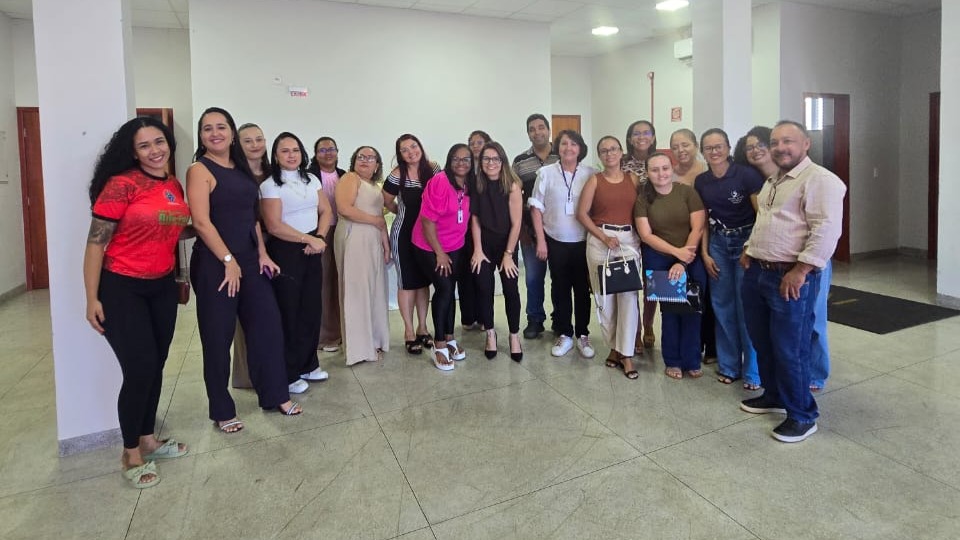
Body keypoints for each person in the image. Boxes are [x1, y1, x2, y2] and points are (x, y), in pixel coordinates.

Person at [83, 117, 191, 489]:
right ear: (132, 151)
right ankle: (130, 450)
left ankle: (148, 438)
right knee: (140, 366)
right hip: (121, 287)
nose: (155, 150)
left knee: (157, 363)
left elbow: (174, 226)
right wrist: (91, 297)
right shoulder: (120, 185)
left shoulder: (174, 185)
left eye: (159, 142)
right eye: (144, 146)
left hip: (160, 286)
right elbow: (96, 243)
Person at [187, 107, 302, 435]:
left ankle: (275, 395)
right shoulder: (199, 170)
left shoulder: (238, 169)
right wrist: (228, 261)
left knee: (267, 329)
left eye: (221, 127)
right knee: (217, 337)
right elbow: (201, 222)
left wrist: (262, 254)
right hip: (215, 265)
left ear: (231, 132)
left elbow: (252, 217)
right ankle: (222, 409)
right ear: (201, 135)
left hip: (250, 262)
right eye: (207, 129)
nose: (215, 133)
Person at [739, 120, 846, 443]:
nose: (780, 147)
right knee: (763, 341)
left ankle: (802, 414)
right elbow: (769, 221)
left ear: (806, 144)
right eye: (775, 142)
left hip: (790, 276)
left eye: (788, 141)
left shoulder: (821, 181)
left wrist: (800, 271)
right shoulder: (774, 179)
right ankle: (774, 394)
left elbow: (826, 230)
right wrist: (748, 251)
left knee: (791, 348)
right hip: (758, 271)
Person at [260, 132, 333, 394]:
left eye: (295, 150)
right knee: (289, 312)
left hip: (313, 246)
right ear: (276, 156)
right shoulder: (270, 185)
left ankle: (308, 364)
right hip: (286, 251)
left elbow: (326, 211)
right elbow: (274, 225)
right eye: (285, 151)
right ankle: (289, 373)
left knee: (311, 308)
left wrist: (320, 237)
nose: (291, 155)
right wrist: (308, 239)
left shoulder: (311, 178)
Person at [695, 128, 764, 391]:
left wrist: (750, 248)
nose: (714, 152)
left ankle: (753, 371)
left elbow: (761, 217)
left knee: (746, 307)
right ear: (703, 151)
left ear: (727, 148)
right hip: (718, 244)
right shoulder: (701, 181)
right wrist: (704, 252)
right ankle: (728, 365)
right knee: (722, 306)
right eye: (709, 148)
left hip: (746, 241)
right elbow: (703, 221)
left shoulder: (746, 175)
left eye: (719, 146)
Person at [634, 153, 707, 380]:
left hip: (690, 253)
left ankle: (692, 359)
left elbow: (698, 227)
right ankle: (673, 360)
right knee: (670, 311)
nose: (661, 174)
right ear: (647, 173)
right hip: (659, 257)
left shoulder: (687, 192)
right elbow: (645, 235)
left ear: (671, 169)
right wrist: (676, 254)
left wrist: (683, 259)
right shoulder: (643, 199)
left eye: (665, 168)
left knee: (692, 310)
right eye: (655, 170)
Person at [577, 136, 641, 378]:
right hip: (600, 242)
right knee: (605, 301)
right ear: (599, 156)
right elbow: (582, 214)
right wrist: (603, 237)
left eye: (613, 149)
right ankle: (613, 348)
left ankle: (626, 354)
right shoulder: (595, 180)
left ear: (621, 152)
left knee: (628, 298)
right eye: (603, 151)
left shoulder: (632, 179)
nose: (609, 154)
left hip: (627, 241)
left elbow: (639, 212)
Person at [529, 130, 596, 359]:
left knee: (582, 290)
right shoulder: (546, 173)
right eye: (564, 143)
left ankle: (583, 334)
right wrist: (540, 241)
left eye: (574, 143)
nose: (569, 147)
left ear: (580, 148)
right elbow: (536, 208)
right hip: (555, 240)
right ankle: (565, 333)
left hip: (583, 242)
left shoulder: (591, 173)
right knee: (560, 288)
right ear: (558, 147)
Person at [412, 144, 473, 370]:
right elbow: (427, 221)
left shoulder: (470, 184)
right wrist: (439, 252)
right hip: (429, 245)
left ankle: (450, 338)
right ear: (449, 161)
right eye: (456, 159)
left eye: (466, 159)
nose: (461, 163)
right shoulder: (440, 181)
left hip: (454, 244)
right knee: (444, 289)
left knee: (451, 288)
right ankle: (439, 343)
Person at [383, 134, 440, 355]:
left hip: (428, 235)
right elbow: (386, 201)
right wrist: (400, 212)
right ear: (400, 154)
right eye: (404, 149)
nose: (410, 152)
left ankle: (423, 327)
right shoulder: (397, 174)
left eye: (413, 146)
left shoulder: (434, 169)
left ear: (420, 147)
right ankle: (408, 331)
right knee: (407, 283)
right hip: (404, 234)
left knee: (423, 282)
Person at [334, 147, 391, 365]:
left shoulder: (375, 186)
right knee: (356, 292)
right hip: (354, 237)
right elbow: (344, 208)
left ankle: (374, 339)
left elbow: (380, 218)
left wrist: (386, 245)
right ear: (354, 161)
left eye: (371, 158)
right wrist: (375, 221)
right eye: (361, 157)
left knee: (374, 291)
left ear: (377, 165)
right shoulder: (350, 178)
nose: (365, 161)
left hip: (373, 241)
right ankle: (359, 349)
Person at [472, 141, 524, 361]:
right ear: (481, 162)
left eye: (495, 158)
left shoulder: (512, 185)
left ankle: (514, 336)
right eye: (486, 159)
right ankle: (490, 334)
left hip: (507, 245)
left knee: (511, 290)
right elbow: (474, 219)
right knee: (484, 289)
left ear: (502, 161)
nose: (490, 163)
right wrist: (476, 249)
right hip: (483, 245)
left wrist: (508, 254)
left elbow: (517, 223)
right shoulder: (477, 184)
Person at [230, 122, 270, 390]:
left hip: (276, 246)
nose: (255, 145)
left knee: (269, 315)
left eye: (259, 139)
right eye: (248, 140)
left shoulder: (272, 173)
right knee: (246, 317)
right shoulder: (234, 174)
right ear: (237, 144)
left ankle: (272, 370)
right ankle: (247, 375)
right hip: (245, 248)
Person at [513, 114, 559, 339]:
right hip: (531, 230)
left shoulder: (562, 154)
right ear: (528, 133)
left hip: (561, 229)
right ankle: (535, 319)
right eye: (532, 129)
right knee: (533, 276)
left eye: (541, 127)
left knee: (560, 277)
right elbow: (513, 192)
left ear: (549, 129)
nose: (537, 132)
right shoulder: (521, 161)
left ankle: (560, 319)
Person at [622, 120, 659, 353]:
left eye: (646, 133)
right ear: (629, 138)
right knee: (630, 282)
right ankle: (633, 329)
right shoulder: (622, 162)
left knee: (651, 280)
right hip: (629, 228)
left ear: (653, 137)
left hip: (657, 229)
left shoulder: (660, 161)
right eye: (636, 133)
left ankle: (648, 325)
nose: (641, 137)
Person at [308, 136, 346, 353]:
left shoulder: (344, 175)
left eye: (332, 148)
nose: (328, 153)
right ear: (315, 154)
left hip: (341, 231)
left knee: (338, 281)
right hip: (319, 233)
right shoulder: (309, 176)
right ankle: (324, 336)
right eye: (322, 150)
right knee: (323, 284)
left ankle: (340, 331)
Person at [459, 130, 491, 331]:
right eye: (472, 143)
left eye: (480, 142)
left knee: (482, 274)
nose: (476, 146)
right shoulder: (465, 171)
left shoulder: (492, 168)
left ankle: (483, 317)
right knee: (465, 274)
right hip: (463, 229)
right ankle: (468, 318)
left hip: (485, 228)